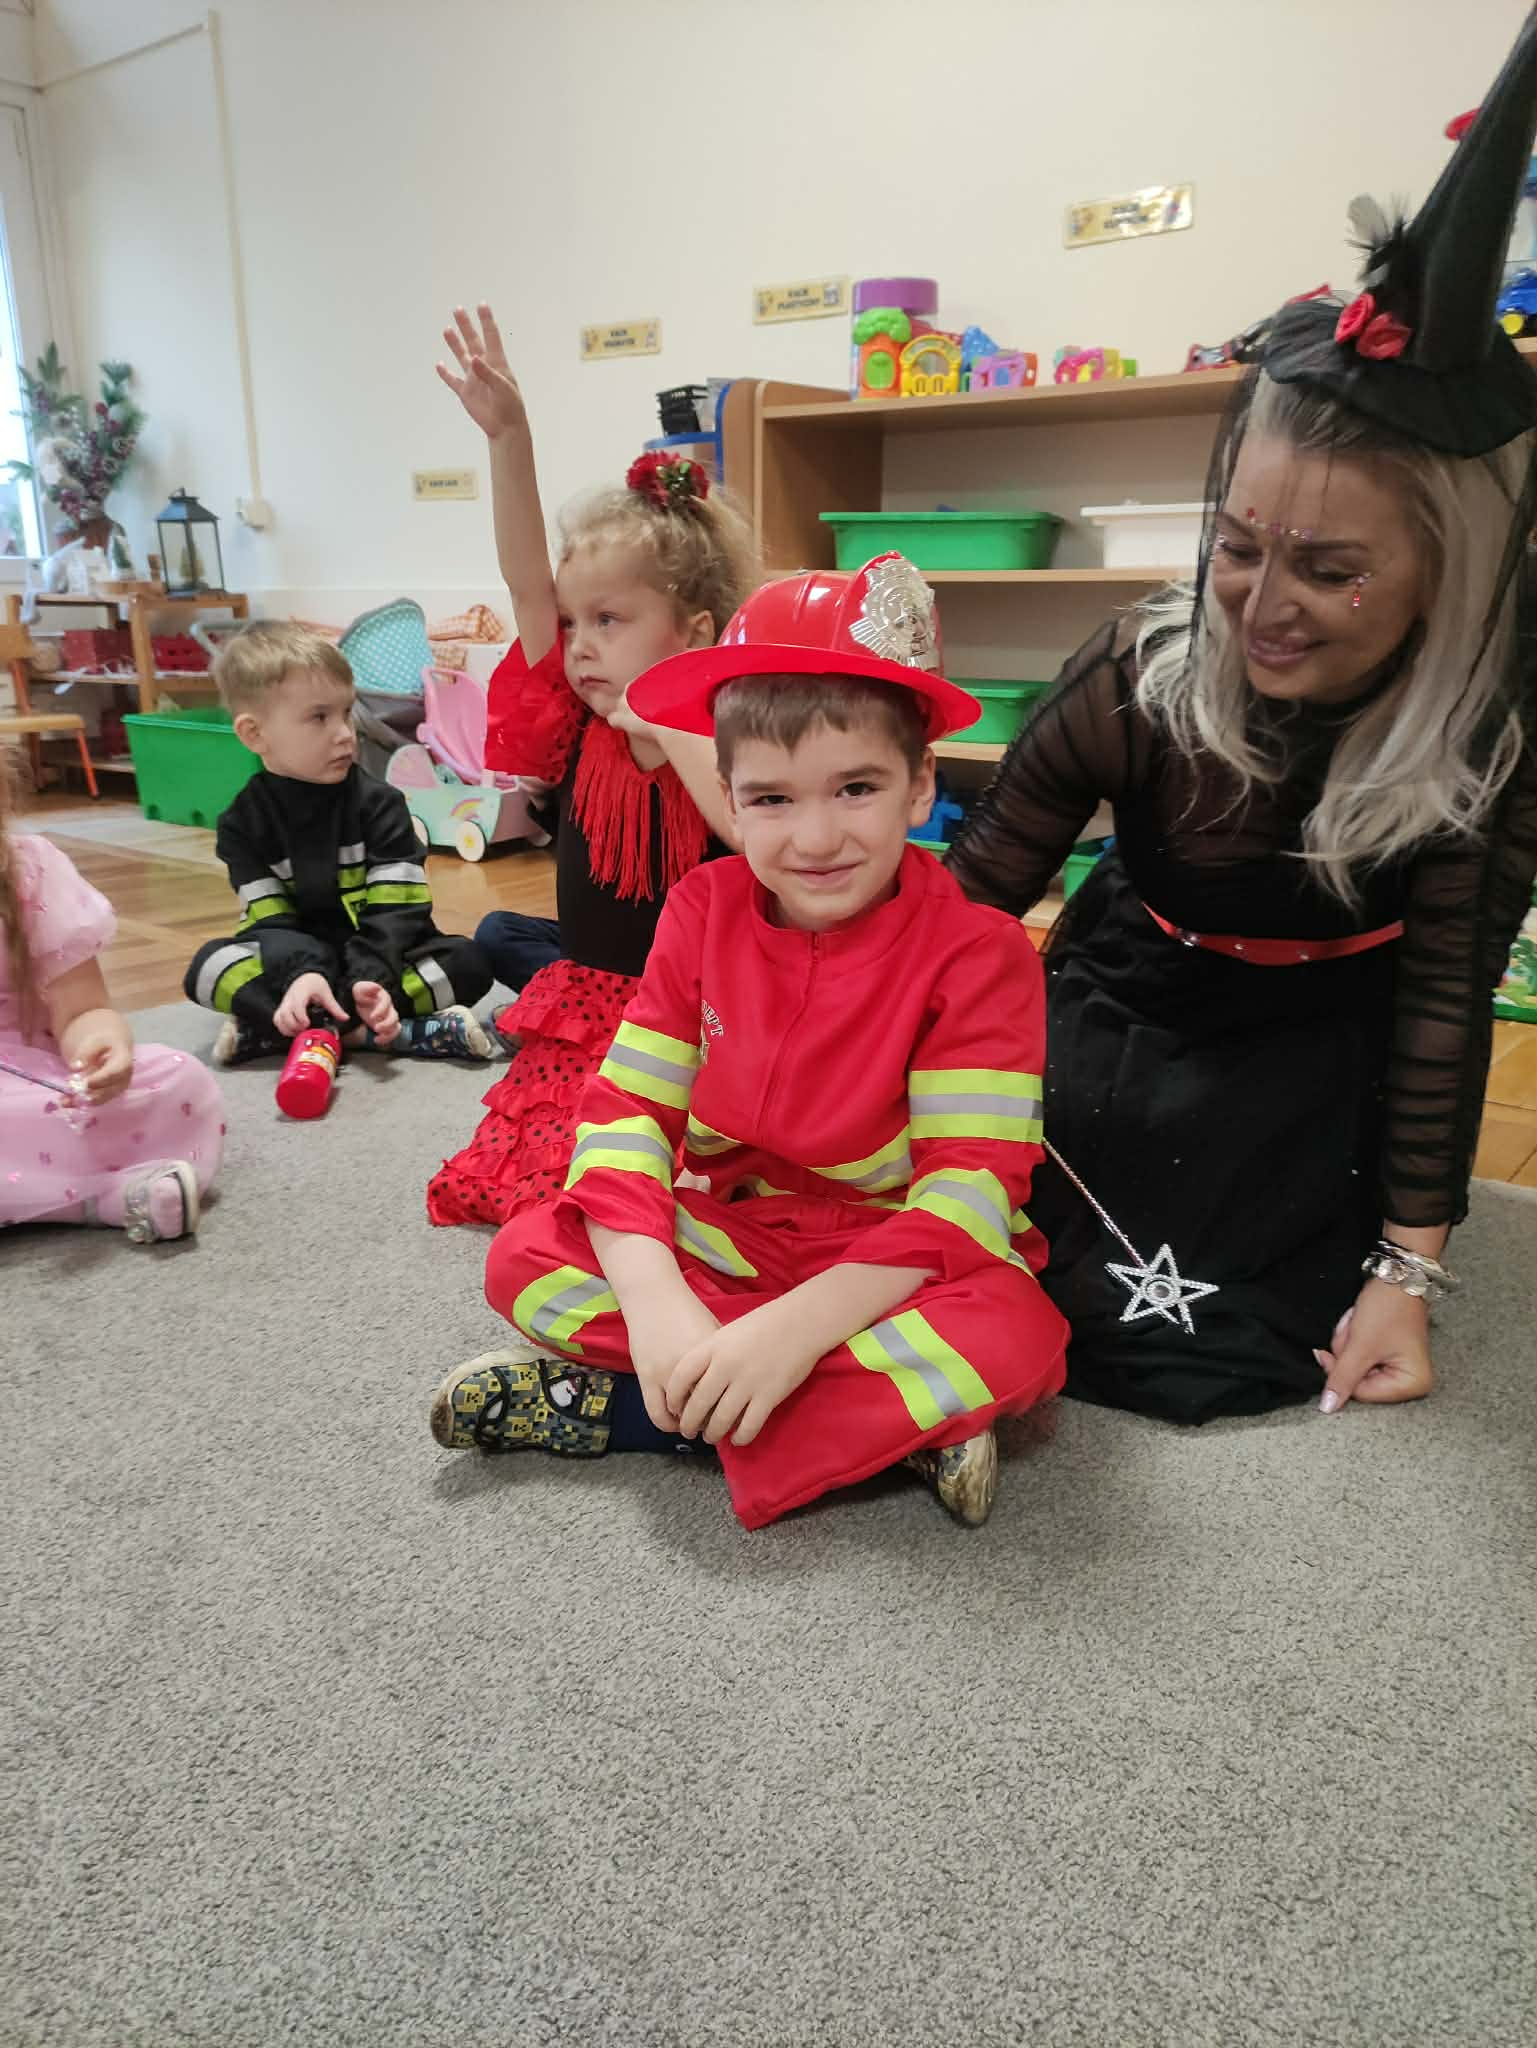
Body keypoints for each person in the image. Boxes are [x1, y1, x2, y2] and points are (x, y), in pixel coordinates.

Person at [945, 11, 1537, 1427]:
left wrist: (1407, 1272)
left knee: (1225, 1326)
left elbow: (1444, 1002)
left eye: (1330, 570)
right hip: (1131, 993)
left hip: (1323, 1039)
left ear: (1444, 577)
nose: (1263, 606)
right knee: (1018, 1256)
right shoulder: (1134, 673)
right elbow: (964, 911)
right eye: (1238, 545)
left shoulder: (1490, 738)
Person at [428, 555, 1069, 1530]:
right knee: (523, 1255)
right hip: (735, 1236)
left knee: (1020, 1335)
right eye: (771, 800)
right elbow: (627, 1112)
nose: (814, 838)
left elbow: (969, 1189)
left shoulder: (981, 953)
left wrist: (791, 1334)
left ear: (919, 786)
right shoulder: (701, 908)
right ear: (726, 797)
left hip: (891, 1257)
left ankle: (637, 1415)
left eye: (854, 788)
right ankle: (865, 1422)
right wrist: (657, 1303)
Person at [425, 303, 757, 1227]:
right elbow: (525, 581)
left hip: (695, 1012)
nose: (578, 643)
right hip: (596, 988)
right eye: (573, 623)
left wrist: (664, 714)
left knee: (675, 1193)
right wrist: (509, 438)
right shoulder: (578, 720)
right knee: (499, 936)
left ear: (693, 632)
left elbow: (745, 831)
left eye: (609, 621)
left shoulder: (718, 726)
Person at [184, 621, 493, 1064]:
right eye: (319, 717)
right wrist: (303, 975)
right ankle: (373, 1032)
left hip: (381, 959)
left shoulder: (382, 805)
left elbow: (397, 911)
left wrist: (370, 981)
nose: (346, 732)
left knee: (469, 961)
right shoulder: (240, 825)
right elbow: (270, 919)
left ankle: (294, 1029)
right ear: (255, 734)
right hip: (293, 961)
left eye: (346, 713)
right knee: (207, 967)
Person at [1, 759, 223, 1242]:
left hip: (38, 1082)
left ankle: (77, 1192)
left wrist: (100, 1046)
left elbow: (83, 1009)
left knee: (181, 1080)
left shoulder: (29, 871)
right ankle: (99, 1197)